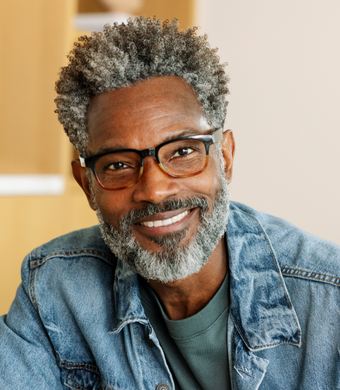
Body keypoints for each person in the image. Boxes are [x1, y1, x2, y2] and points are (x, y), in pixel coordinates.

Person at [0, 16, 339, 390]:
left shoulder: (329, 301)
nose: (155, 190)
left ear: (224, 158)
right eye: (117, 164)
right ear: (87, 186)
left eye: (182, 152)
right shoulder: (52, 288)